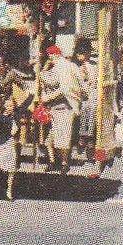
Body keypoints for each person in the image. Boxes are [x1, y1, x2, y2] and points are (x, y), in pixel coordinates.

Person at [40, 43, 85, 174]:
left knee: (63, 138)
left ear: (54, 55)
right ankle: (53, 162)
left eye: (50, 57)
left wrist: (48, 98)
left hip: (64, 106)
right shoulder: (69, 66)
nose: (50, 59)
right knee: (50, 139)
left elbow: (62, 88)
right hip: (60, 107)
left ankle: (64, 164)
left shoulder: (62, 67)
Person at [73, 39, 97, 162]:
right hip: (83, 95)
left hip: (92, 94)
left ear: (87, 53)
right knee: (84, 112)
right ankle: (83, 136)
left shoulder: (94, 65)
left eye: (81, 54)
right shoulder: (77, 66)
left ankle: (89, 137)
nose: (79, 57)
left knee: (91, 111)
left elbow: (94, 80)